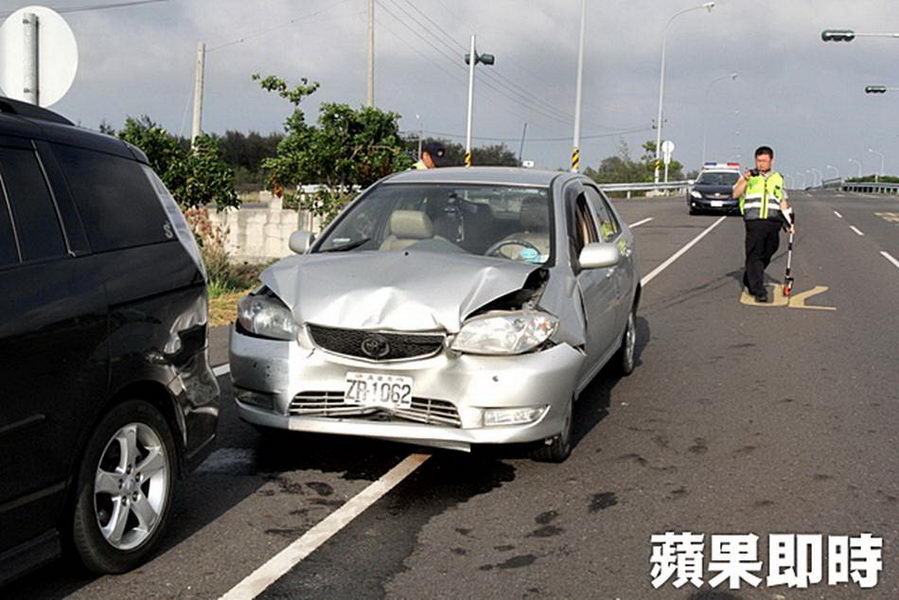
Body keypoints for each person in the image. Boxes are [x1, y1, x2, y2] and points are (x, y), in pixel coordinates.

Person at [732, 145, 794, 303]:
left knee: (770, 250)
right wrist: (745, 179)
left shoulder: (778, 178)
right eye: (759, 161)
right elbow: (736, 194)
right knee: (754, 254)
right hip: (754, 220)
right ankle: (758, 290)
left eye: (764, 161)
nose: (761, 164)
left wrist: (788, 223)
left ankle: (750, 276)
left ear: (772, 161)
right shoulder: (748, 176)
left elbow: (782, 201)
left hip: (773, 221)